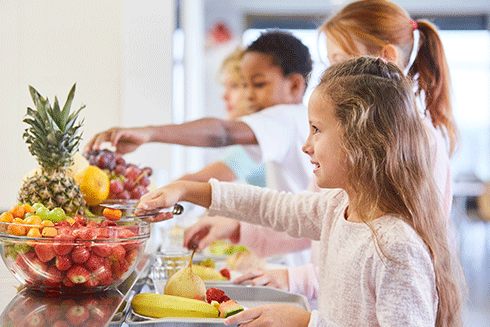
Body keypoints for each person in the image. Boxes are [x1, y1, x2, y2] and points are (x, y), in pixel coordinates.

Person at [138, 57, 465, 326]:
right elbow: (271, 207)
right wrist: (184, 189)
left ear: (363, 141)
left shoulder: (396, 247)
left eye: (317, 130)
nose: (306, 146)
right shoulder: (339, 207)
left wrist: (305, 322)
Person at [184, 0, 458, 301]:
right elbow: (311, 214)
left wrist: (299, 279)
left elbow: (389, 262)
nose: (332, 75)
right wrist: (237, 225)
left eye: (341, 61)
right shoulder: (349, 140)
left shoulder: (419, 144)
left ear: (385, 59)